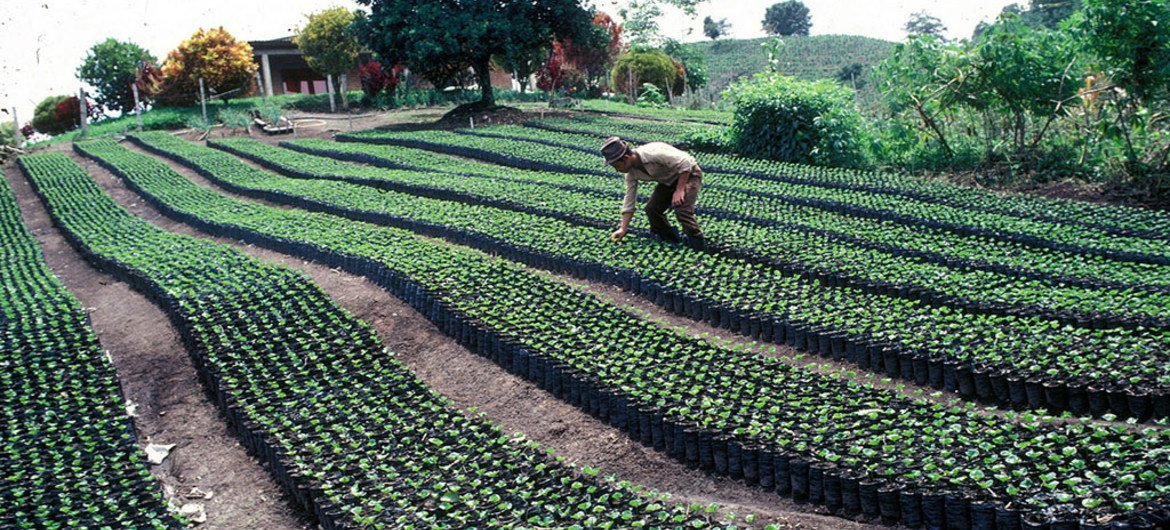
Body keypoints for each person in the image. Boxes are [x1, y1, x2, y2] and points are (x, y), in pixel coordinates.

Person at [601, 136, 705, 249]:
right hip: (668, 180)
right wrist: (623, 229)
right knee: (651, 209)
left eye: (617, 166)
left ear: (626, 158)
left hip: (689, 174)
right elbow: (629, 201)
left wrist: (679, 190)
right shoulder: (631, 173)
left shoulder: (653, 154)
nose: (616, 170)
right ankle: (670, 241)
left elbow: (685, 163)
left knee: (682, 210)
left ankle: (698, 245)